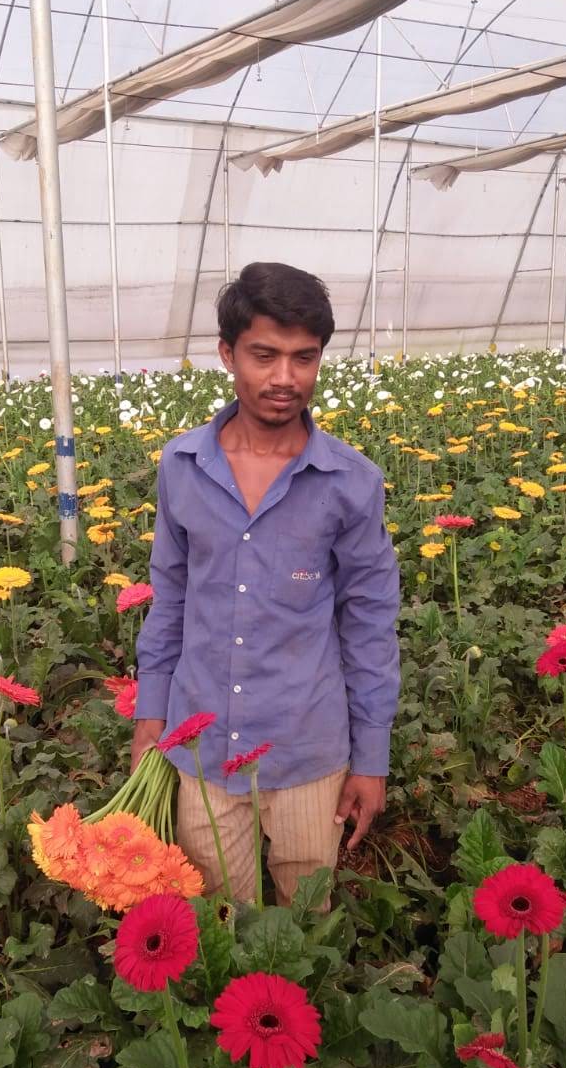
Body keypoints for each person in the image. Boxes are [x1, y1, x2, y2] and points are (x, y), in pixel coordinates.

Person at [131, 261, 400, 905]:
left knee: (305, 916)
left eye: (304, 358)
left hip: (308, 748)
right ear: (228, 354)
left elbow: (368, 625)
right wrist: (151, 712)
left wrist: (371, 759)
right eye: (264, 355)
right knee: (220, 915)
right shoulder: (182, 465)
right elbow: (169, 598)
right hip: (202, 746)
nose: (285, 379)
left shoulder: (351, 482)